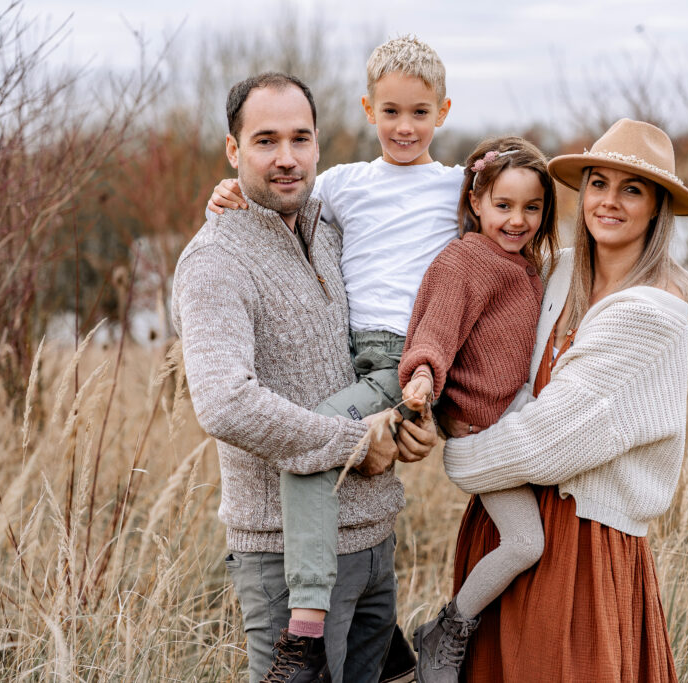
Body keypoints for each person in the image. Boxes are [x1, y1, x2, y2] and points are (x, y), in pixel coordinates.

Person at [205, 37, 462, 682]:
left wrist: (413, 422)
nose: (286, 158)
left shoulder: (327, 221)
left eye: (300, 139)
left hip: (372, 541)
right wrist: (353, 442)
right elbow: (224, 403)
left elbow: (509, 226)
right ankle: (306, 629)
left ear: (318, 142)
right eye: (265, 141)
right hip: (285, 562)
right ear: (233, 150)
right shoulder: (218, 258)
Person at [439, 118, 688, 682]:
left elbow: (550, 442)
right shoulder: (554, 271)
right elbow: (468, 302)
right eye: (598, 184)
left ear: (657, 208)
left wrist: (460, 455)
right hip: (506, 526)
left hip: (580, 545)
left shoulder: (649, 313)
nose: (609, 201)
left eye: (632, 190)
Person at [396, 137, 559, 682]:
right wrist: (423, 377)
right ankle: (449, 627)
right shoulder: (466, 260)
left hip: (511, 424)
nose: (517, 220)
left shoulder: (527, 264)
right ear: (476, 201)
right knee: (526, 542)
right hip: (478, 435)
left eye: (532, 207)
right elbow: (436, 330)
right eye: (503, 205)